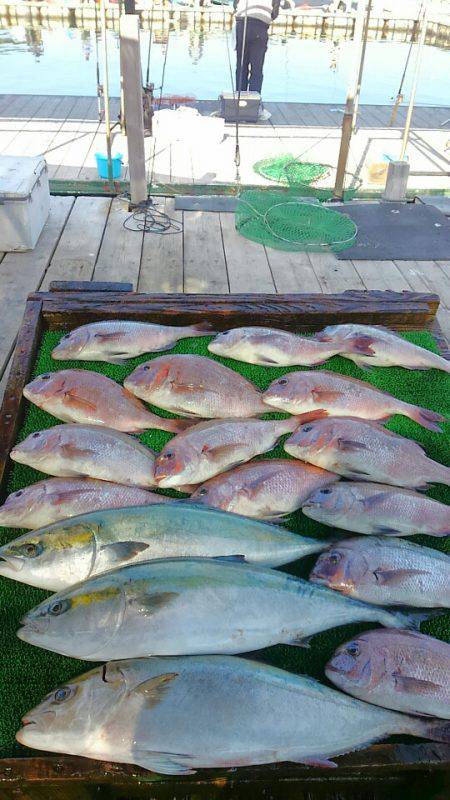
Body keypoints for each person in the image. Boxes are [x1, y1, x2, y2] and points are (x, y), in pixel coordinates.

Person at [233, 0, 280, 120]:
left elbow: (235, 4)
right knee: (257, 70)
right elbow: (274, 13)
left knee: (241, 67)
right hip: (260, 26)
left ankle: (239, 104)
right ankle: (253, 106)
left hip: (242, 24)